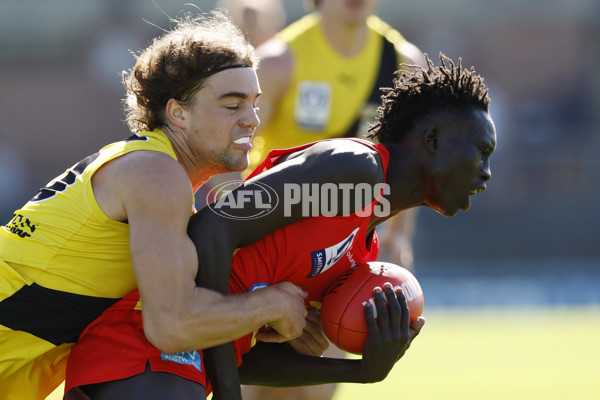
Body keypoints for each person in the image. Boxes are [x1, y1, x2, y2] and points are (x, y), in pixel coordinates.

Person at [63, 52, 496, 400]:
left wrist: (361, 371)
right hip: (139, 352)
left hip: (166, 371)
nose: (486, 173)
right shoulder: (356, 168)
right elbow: (215, 224)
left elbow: (237, 355)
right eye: (481, 152)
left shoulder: (360, 250)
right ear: (433, 140)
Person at [0, 11, 311, 399]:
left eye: (254, 103)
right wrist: (271, 303)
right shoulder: (157, 175)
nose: (252, 120)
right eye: (232, 105)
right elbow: (171, 327)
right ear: (178, 113)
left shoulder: (152, 168)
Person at [244, 1, 424, 397]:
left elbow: (412, 163)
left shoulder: (403, 64)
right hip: (273, 255)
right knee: (260, 388)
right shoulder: (277, 61)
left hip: (342, 260)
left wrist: (398, 236)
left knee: (317, 388)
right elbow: (232, 156)